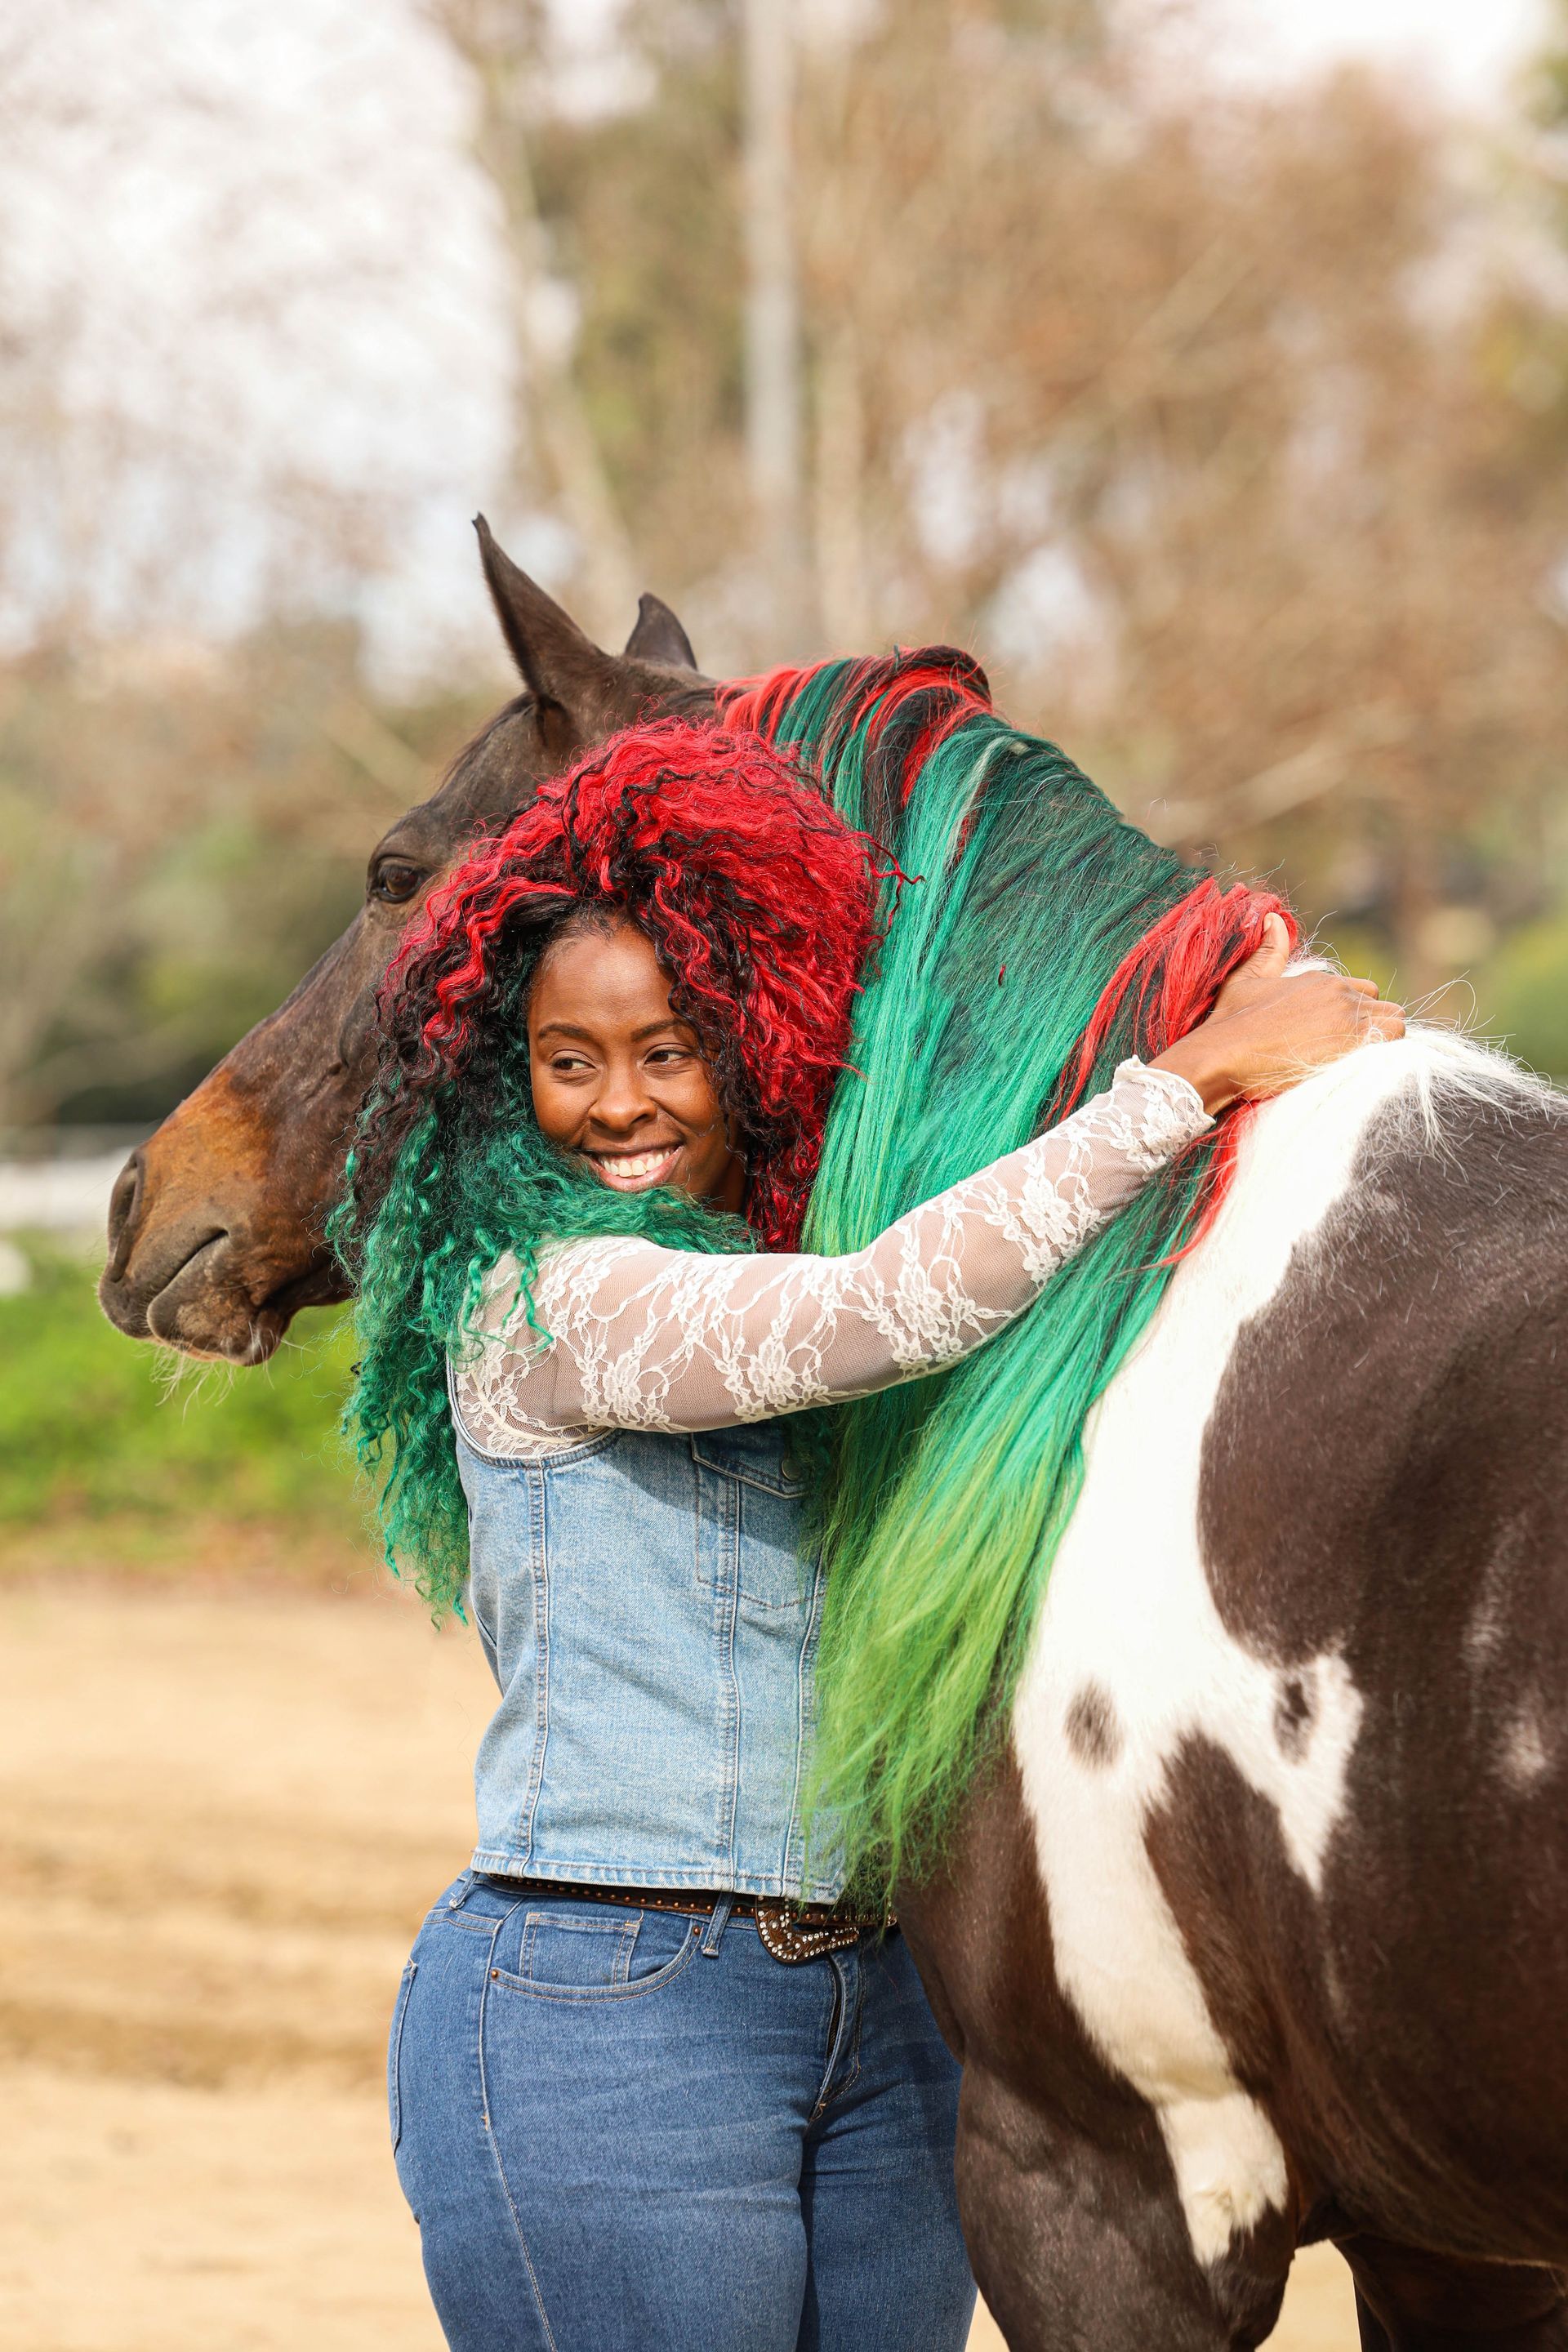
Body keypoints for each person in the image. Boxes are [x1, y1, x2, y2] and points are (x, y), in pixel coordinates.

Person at [339, 716, 1402, 2352]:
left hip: (894, 2013)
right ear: (509, 1076)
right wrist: (1192, 1077)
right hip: (617, 2002)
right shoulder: (544, 1303)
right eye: (571, 1061)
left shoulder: (722, 1262)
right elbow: (871, 1312)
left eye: (670, 1049)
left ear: (748, 1048)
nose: (623, 1103)